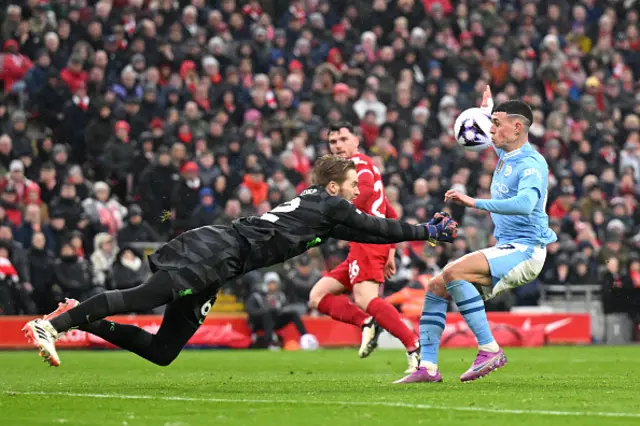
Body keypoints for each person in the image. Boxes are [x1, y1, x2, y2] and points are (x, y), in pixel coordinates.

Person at [23, 155, 459, 368]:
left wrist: (425, 233)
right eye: (350, 184)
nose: (354, 191)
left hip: (224, 259)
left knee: (162, 351)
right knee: (145, 296)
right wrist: (429, 232)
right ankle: (53, 326)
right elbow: (379, 228)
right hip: (216, 251)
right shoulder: (333, 207)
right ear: (331, 187)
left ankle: (79, 318)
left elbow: (367, 231)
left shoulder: (325, 212)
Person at [395, 87, 557, 384]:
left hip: (527, 249)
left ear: (517, 127)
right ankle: (427, 367)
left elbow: (525, 204)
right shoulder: (507, 152)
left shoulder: (531, 164)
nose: (490, 129)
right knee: (436, 285)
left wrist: (474, 202)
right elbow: (490, 135)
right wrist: (488, 108)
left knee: (454, 272)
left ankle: (490, 348)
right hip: (509, 247)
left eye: (497, 124)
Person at [308, 121, 422, 373]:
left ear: (356, 140)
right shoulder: (360, 166)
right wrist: (391, 250)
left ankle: (413, 345)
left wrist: (335, 213)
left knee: (365, 298)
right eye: (333, 142)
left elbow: (366, 190)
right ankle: (367, 322)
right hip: (366, 245)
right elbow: (389, 211)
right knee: (317, 295)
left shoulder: (358, 166)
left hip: (367, 242)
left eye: (343, 140)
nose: (338, 146)